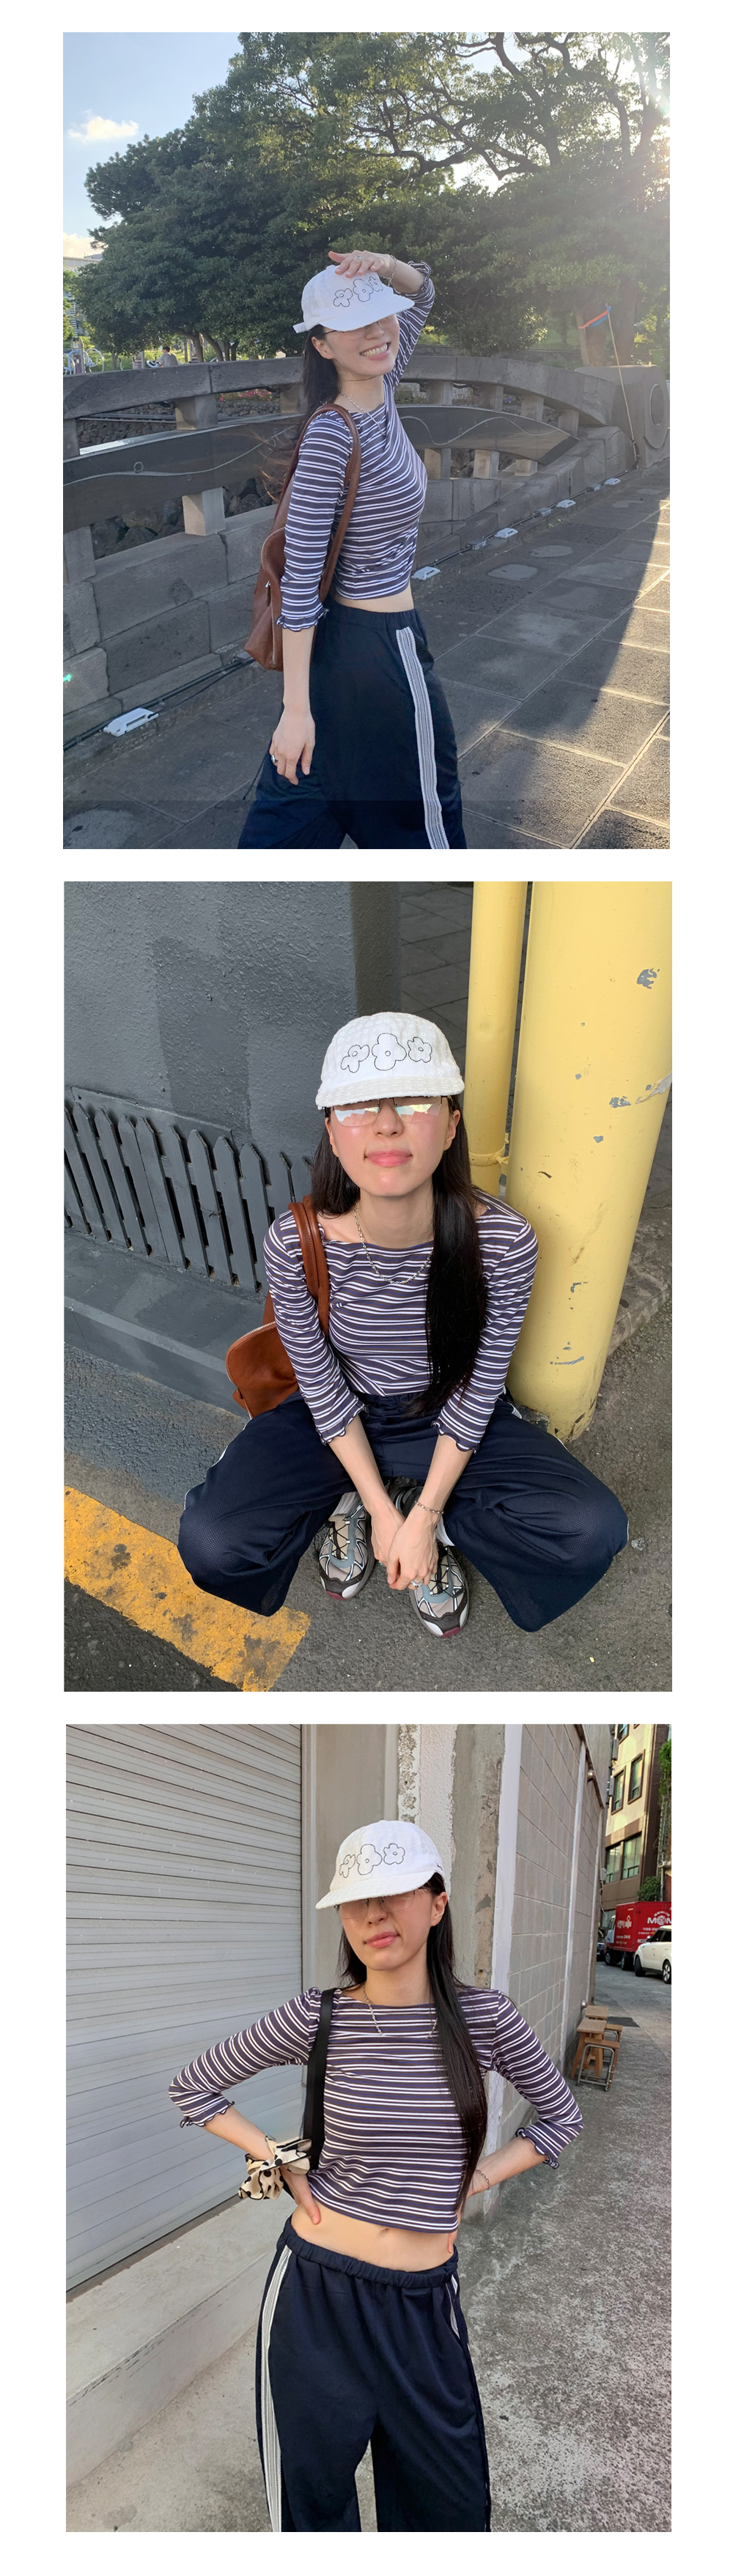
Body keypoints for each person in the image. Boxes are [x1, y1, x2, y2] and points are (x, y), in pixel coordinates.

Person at [170, 1818, 583, 2532]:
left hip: (424, 2305)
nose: (372, 1915)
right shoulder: (319, 2018)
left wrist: (478, 2179)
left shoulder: (485, 2018)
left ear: (437, 1903)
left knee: (447, 2513)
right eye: (355, 1901)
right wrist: (277, 2157)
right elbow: (194, 2088)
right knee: (311, 2510)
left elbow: (559, 2119)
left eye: (394, 1894)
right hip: (316, 2297)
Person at [178, 1010, 628, 1643]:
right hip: (337, 1415)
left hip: (446, 1411)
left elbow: (479, 1385)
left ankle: (435, 1524)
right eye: (358, 1106)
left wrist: (422, 1519)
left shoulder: (503, 1242)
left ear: (451, 1126)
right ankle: (352, 1501)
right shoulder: (296, 1241)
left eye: (416, 1101)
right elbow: (320, 1385)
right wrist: (380, 1510)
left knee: (593, 1528)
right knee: (212, 1540)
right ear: (332, 1134)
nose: (387, 1123)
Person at [238, 248, 465, 851]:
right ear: (321, 345)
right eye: (352, 324)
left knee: (286, 829)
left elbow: (422, 295)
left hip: (339, 656)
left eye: (380, 314)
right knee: (428, 834)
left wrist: (384, 264)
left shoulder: (382, 381)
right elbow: (300, 579)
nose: (377, 332)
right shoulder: (331, 437)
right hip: (379, 654)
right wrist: (294, 710)